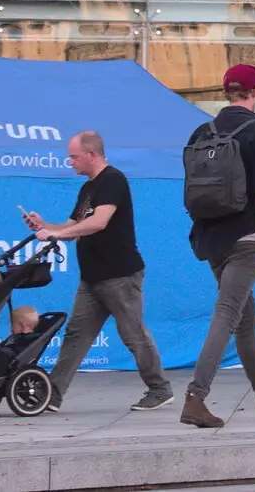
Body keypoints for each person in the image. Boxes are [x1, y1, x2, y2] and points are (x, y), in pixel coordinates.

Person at [181, 64, 255, 429]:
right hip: (248, 239)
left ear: (226, 91)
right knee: (228, 313)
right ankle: (195, 397)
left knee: (245, 322)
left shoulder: (204, 130)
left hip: (213, 240)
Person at [25, 130, 171, 412]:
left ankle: (159, 389)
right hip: (92, 277)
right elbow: (71, 227)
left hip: (119, 275)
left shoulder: (113, 180)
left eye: (74, 157)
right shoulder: (87, 188)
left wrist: (55, 236)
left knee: (133, 334)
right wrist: (45, 227)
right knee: (76, 335)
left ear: (91, 155)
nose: (70, 162)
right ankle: (52, 395)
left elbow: (99, 222)